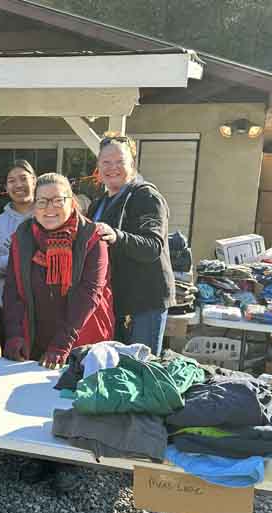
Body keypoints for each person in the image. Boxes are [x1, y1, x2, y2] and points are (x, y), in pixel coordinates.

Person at [2, 173, 115, 369]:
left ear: (71, 202)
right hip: (36, 340)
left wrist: (62, 344)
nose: (49, 208)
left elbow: (89, 295)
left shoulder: (92, 238)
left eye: (58, 200)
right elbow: (12, 291)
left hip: (81, 340)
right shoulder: (22, 237)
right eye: (42, 201)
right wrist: (14, 335)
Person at [88, 135, 175, 355]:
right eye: (106, 162)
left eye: (120, 162)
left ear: (132, 164)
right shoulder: (98, 204)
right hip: (114, 300)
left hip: (144, 302)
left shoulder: (146, 197)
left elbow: (152, 247)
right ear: (98, 166)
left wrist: (116, 236)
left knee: (137, 367)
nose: (112, 168)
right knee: (113, 367)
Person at [0, 160, 36, 306]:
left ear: (34, 181)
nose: (18, 185)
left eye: (24, 178)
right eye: (12, 181)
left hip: (49, 303)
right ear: (6, 187)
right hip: (12, 305)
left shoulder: (49, 217)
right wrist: (14, 259)